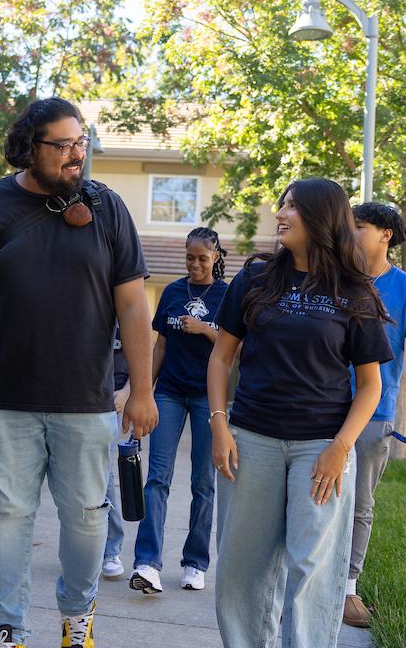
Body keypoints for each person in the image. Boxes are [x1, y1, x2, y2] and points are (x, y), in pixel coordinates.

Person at [0, 97, 159, 648]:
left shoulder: (107, 208)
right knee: (7, 515)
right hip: (6, 396)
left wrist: (143, 389)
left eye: (81, 143)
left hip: (86, 398)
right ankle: (5, 626)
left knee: (85, 517)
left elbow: (132, 305)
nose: (75, 155)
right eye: (62, 146)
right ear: (29, 149)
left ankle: (77, 615)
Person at [207, 178, 392, 648]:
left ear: (321, 218)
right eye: (282, 203)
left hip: (321, 447)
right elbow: (221, 357)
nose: (280, 212)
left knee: (311, 570)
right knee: (242, 567)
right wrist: (219, 425)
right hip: (252, 440)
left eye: (293, 206)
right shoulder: (254, 279)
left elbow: (370, 385)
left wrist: (341, 447)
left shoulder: (355, 291)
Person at [342, 202, 406, 627]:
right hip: (319, 407)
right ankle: (306, 581)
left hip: (375, 414)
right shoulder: (335, 279)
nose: (351, 233)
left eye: (359, 227)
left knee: (360, 503)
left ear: (385, 234)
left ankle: (347, 589)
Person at [129, 227, 228, 595]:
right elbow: (160, 347)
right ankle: (147, 563)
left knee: (203, 483)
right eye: (190, 258)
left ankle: (195, 563)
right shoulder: (172, 292)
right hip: (169, 392)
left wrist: (204, 329)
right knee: (157, 478)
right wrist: (144, 391)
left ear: (216, 256)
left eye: (203, 258)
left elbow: (235, 348)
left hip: (207, 397)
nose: (196, 265)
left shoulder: (227, 296)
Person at [101, 325, 130, 580]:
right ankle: (84, 549)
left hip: (114, 400)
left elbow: (144, 356)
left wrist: (128, 392)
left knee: (105, 473)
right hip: (81, 400)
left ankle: (111, 550)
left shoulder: (128, 312)